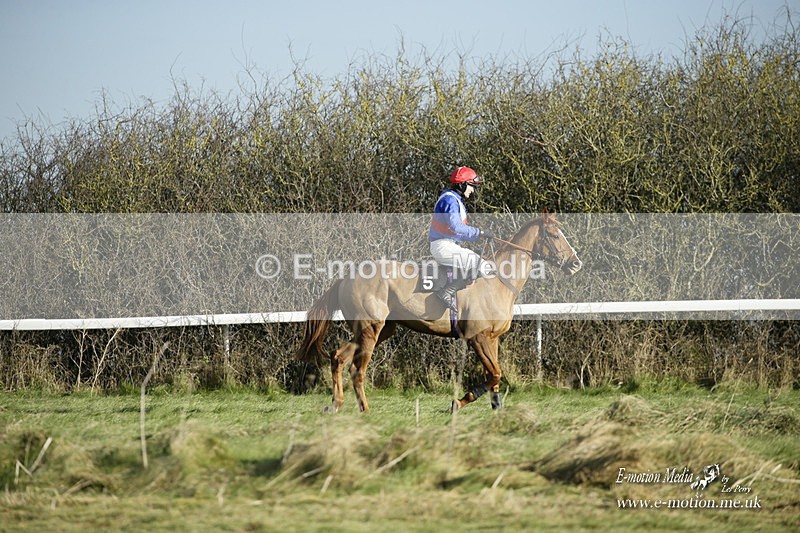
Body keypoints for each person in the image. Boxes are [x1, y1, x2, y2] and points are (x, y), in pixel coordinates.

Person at [429, 166, 495, 306]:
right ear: (461, 184)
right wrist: (480, 232)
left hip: (447, 245)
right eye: (471, 186)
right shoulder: (450, 200)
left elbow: (457, 232)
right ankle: (447, 292)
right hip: (443, 246)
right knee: (480, 265)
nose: (473, 190)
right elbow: (456, 227)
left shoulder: (454, 200)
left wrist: (480, 237)